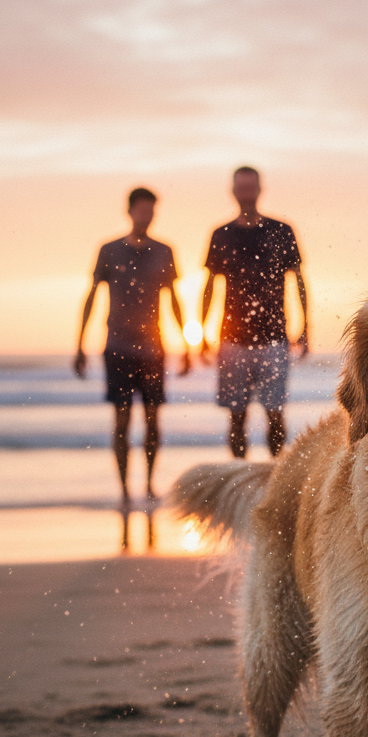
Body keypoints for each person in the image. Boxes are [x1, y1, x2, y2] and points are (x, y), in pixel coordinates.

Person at [74, 187, 190, 505]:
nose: (147, 216)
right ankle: (125, 489)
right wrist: (80, 344)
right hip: (118, 348)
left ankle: (150, 484)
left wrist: (187, 343)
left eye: (151, 211)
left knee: (153, 421)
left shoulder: (164, 251)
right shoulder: (109, 250)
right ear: (129, 211)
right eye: (141, 210)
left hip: (154, 349)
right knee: (122, 420)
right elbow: (92, 295)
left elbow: (174, 299)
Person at [200, 166, 308, 459]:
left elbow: (298, 281)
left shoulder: (281, 231)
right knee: (236, 417)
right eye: (241, 188)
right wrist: (200, 332)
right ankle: (239, 477)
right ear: (233, 192)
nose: (246, 194)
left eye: (251, 188)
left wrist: (306, 327)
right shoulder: (221, 234)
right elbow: (209, 287)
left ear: (260, 190)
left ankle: (275, 476)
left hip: (274, 339)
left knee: (275, 414)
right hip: (232, 339)